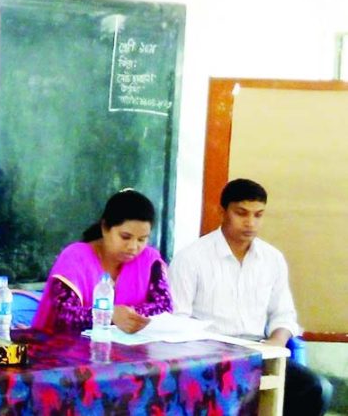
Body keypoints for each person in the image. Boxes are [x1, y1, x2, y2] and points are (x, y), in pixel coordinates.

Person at [170, 178, 332, 416]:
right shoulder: (191, 258)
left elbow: (284, 315)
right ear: (222, 212)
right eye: (242, 213)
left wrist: (275, 343)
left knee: (316, 389)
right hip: (209, 358)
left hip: (260, 353)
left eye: (258, 215)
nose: (250, 223)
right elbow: (178, 320)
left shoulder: (272, 259)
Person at [31, 189, 172, 334]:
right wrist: (109, 314)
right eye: (125, 237)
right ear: (105, 228)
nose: (133, 247)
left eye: (142, 239)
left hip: (128, 351)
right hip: (64, 350)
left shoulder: (148, 261)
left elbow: (164, 307)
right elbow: (63, 316)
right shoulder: (75, 258)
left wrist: (126, 315)